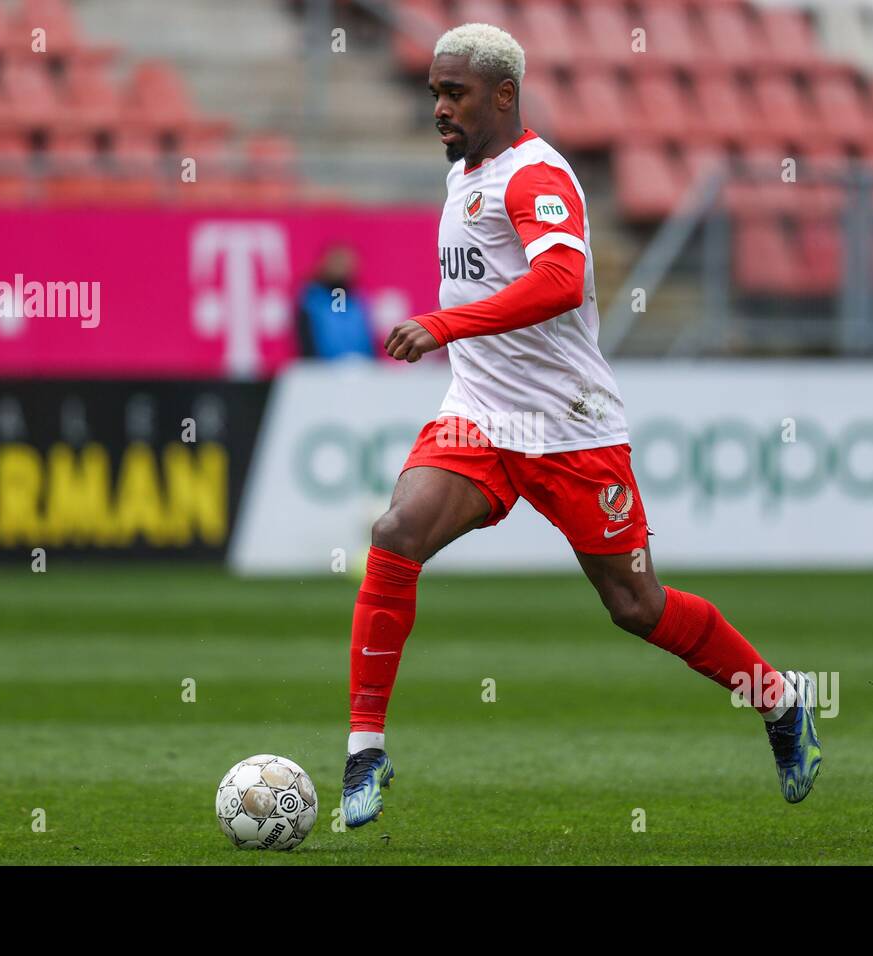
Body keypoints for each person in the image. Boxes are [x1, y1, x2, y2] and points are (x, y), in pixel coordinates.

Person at [340, 23, 821, 828]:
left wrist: (445, 327)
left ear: (504, 94)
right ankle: (365, 749)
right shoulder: (467, 175)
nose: (438, 108)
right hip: (482, 417)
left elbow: (561, 282)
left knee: (635, 604)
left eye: (453, 93)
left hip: (570, 426)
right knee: (396, 534)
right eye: (432, 92)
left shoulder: (538, 175)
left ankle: (779, 699)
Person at [294, 244, 376, 360]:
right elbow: (306, 342)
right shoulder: (310, 299)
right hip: (322, 371)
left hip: (360, 369)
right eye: (337, 262)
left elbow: (368, 339)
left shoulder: (359, 299)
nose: (341, 268)